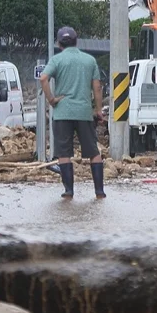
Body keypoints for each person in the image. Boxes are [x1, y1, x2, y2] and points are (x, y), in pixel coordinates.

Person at [40, 26, 105, 199]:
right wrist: (98, 110)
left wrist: (51, 100)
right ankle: (99, 192)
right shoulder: (89, 60)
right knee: (93, 152)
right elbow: (97, 87)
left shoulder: (57, 60)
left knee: (64, 153)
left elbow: (43, 78)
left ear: (59, 43)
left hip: (62, 112)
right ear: (77, 41)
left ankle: (69, 191)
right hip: (84, 112)